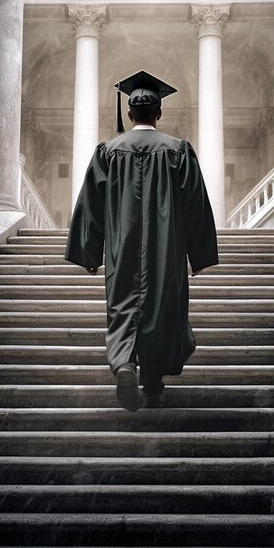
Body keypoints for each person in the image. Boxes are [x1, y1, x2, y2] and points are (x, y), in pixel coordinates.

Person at [65, 70, 218, 412]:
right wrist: (200, 255)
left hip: (122, 247)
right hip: (168, 249)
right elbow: (196, 204)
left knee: (123, 307)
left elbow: (91, 202)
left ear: (130, 115)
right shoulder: (178, 151)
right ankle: (153, 384)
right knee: (162, 311)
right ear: (159, 114)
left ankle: (123, 364)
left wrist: (89, 251)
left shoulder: (108, 151)